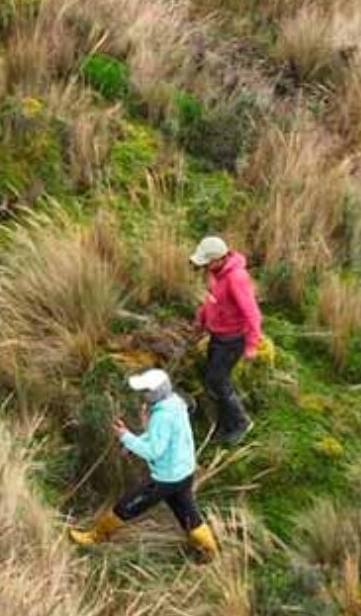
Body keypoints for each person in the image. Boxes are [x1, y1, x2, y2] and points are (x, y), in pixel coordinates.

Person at [67, 368, 217, 561]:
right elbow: (160, 438)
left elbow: (154, 451)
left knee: (126, 506)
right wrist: (133, 439)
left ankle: (94, 537)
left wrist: (126, 437)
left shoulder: (161, 416)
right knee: (188, 516)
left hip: (165, 478)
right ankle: (209, 551)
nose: (142, 395)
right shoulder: (175, 404)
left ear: (154, 394)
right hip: (183, 472)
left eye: (145, 391)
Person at [191, 235, 262, 444]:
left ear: (219, 259)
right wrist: (200, 321)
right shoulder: (216, 274)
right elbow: (211, 302)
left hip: (232, 341)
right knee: (212, 379)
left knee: (218, 380)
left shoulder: (236, 278)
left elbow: (253, 313)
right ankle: (224, 421)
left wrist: (251, 345)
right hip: (217, 335)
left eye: (207, 262)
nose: (204, 266)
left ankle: (241, 422)